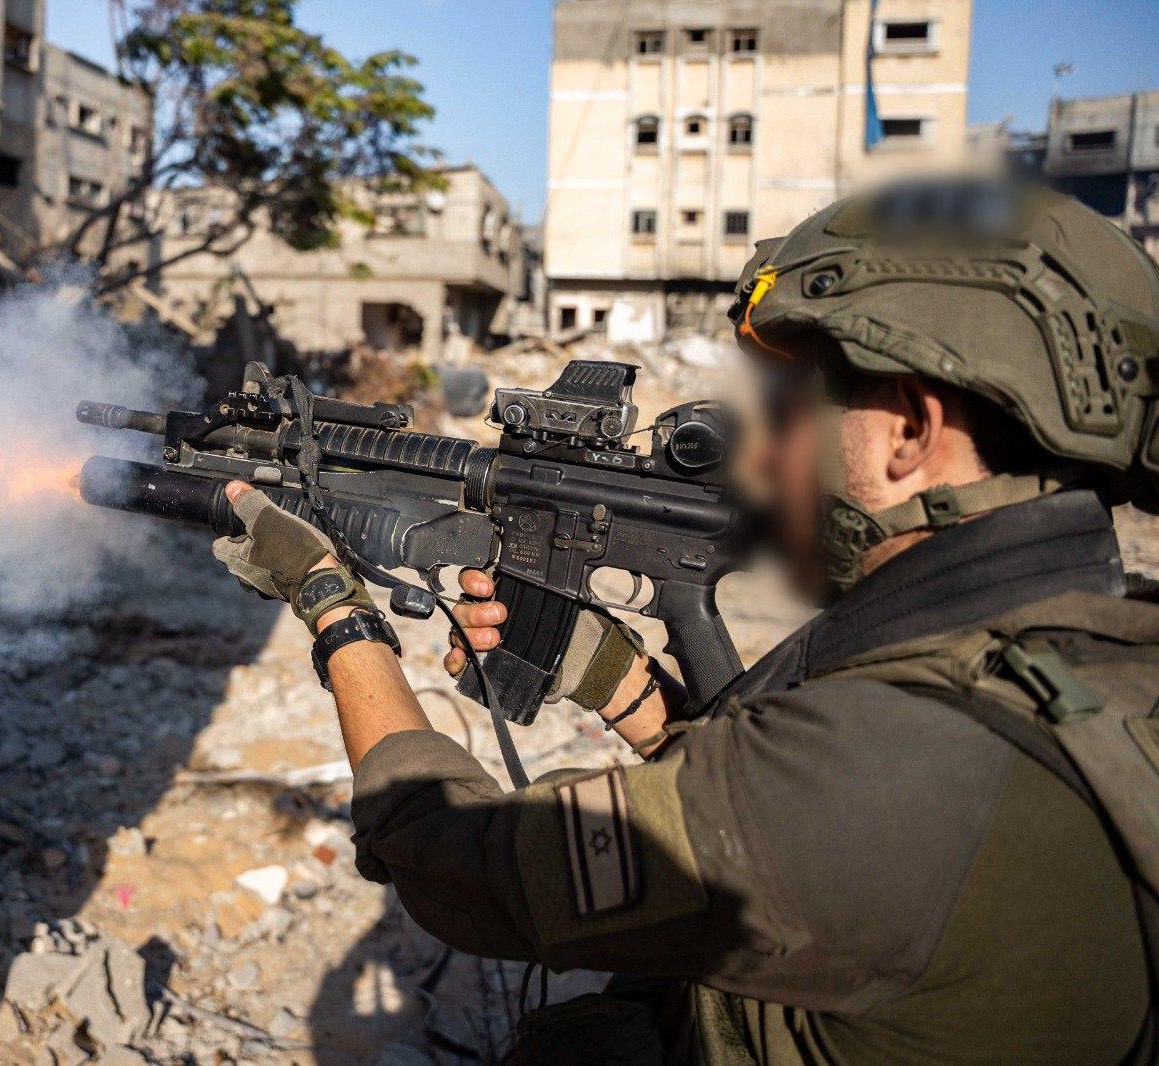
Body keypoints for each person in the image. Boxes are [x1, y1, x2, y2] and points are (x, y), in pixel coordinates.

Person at [209, 181, 1159, 1063]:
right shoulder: (1069, 663)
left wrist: (333, 604)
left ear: (911, 430)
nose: (768, 453)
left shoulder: (888, 761)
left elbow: (460, 867)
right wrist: (615, 679)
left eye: (788, 405)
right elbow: (759, 813)